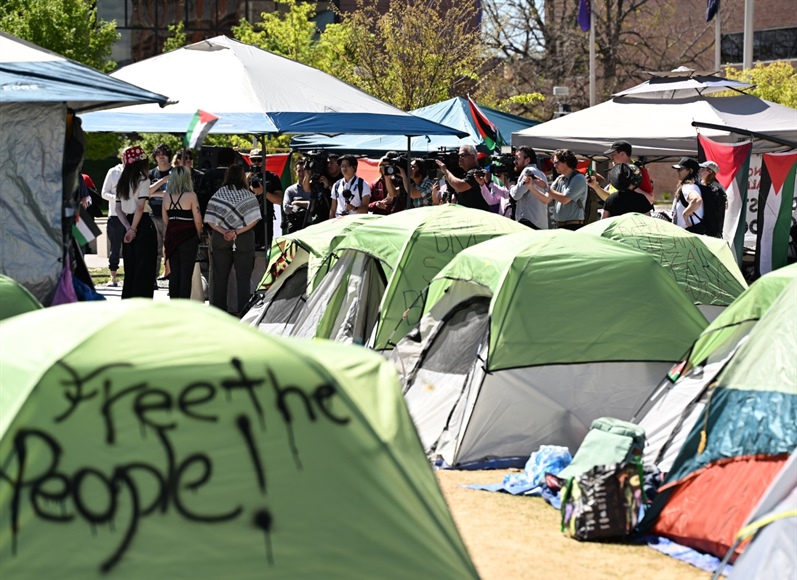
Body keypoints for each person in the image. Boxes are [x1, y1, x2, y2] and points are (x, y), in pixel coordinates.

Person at [204, 165, 262, 316]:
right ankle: (243, 312)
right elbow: (254, 220)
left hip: (221, 238)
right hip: (243, 238)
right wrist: (236, 232)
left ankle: (219, 312)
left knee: (220, 276)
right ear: (242, 177)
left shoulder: (219, 194)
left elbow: (210, 219)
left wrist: (224, 231)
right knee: (243, 277)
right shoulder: (248, 195)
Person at [115, 145, 158, 298]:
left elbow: (118, 209)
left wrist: (128, 227)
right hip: (143, 225)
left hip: (126, 222)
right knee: (145, 268)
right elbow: (140, 207)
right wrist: (134, 229)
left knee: (130, 267)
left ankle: (128, 300)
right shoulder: (143, 180)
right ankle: (143, 303)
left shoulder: (121, 182)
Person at [162, 166, 203, 299]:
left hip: (172, 237)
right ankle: (183, 306)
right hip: (188, 237)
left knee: (174, 273)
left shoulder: (166, 196)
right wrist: (198, 234)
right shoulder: (191, 196)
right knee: (186, 274)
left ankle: (174, 304)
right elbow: (197, 220)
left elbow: (165, 219)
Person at [531, 148, 588, 230]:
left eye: (556, 163)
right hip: (560, 226)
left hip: (574, 226)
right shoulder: (560, 179)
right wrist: (530, 186)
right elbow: (546, 199)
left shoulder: (578, 178)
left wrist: (545, 187)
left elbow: (565, 199)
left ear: (566, 162)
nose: (554, 166)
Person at [588, 140, 655, 204]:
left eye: (613, 154)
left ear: (622, 154)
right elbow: (609, 198)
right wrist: (595, 186)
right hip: (617, 214)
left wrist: (632, 187)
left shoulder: (639, 171)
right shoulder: (615, 172)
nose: (611, 157)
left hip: (633, 214)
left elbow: (650, 199)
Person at [435, 145, 492, 211]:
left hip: (476, 215)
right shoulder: (465, 172)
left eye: (463, 155)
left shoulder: (476, 172)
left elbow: (460, 186)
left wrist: (445, 170)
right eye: (459, 156)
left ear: (473, 157)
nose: (459, 158)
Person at [247, 148, 283, 249]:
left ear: (265, 160)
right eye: (254, 160)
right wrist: (247, 180)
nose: (256, 163)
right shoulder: (245, 177)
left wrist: (264, 192)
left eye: (259, 160)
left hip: (265, 221)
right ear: (250, 160)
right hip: (248, 222)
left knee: (265, 252)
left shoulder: (272, 177)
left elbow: (279, 200)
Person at [508, 146, 549, 228]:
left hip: (529, 222)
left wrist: (510, 185)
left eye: (517, 158)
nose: (514, 161)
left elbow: (516, 195)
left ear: (527, 160)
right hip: (540, 223)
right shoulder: (541, 173)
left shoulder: (527, 171)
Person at [148, 143, 173, 281]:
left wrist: (154, 192)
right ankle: (153, 279)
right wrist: (162, 182)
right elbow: (145, 192)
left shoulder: (175, 172)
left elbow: (174, 193)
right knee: (154, 250)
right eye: (158, 154)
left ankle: (171, 276)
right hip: (153, 215)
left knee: (170, 248)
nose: (161, 156)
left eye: (164, 153)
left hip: (171, 216)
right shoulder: (151, 173)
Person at [101, 153, 125, 286]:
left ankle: (130, 276)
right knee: (115, 248)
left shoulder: (136, 172)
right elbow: (104, 193)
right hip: (115, 216)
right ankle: (113, 277)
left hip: (131, 215)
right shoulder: (113, 172)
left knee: (130, 249)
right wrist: (117, 198)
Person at [670, 157, 704, 231]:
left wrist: (685, 213)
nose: (677, 172)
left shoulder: (687, 187)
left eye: (680, 169)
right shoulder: (696, 186)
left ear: (690, 171)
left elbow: (697, 200)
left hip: (690, 233)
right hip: (695, 232)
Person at [282, 159, 314, 233]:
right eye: (299, 171)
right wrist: (304, 207)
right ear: (296, 172)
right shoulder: (290, 190)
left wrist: (296, 203)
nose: (301, 173)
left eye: (303, 171)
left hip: (310, 226)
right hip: (294, 226)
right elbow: (286, 208)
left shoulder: (313, 188)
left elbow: (312, 207)